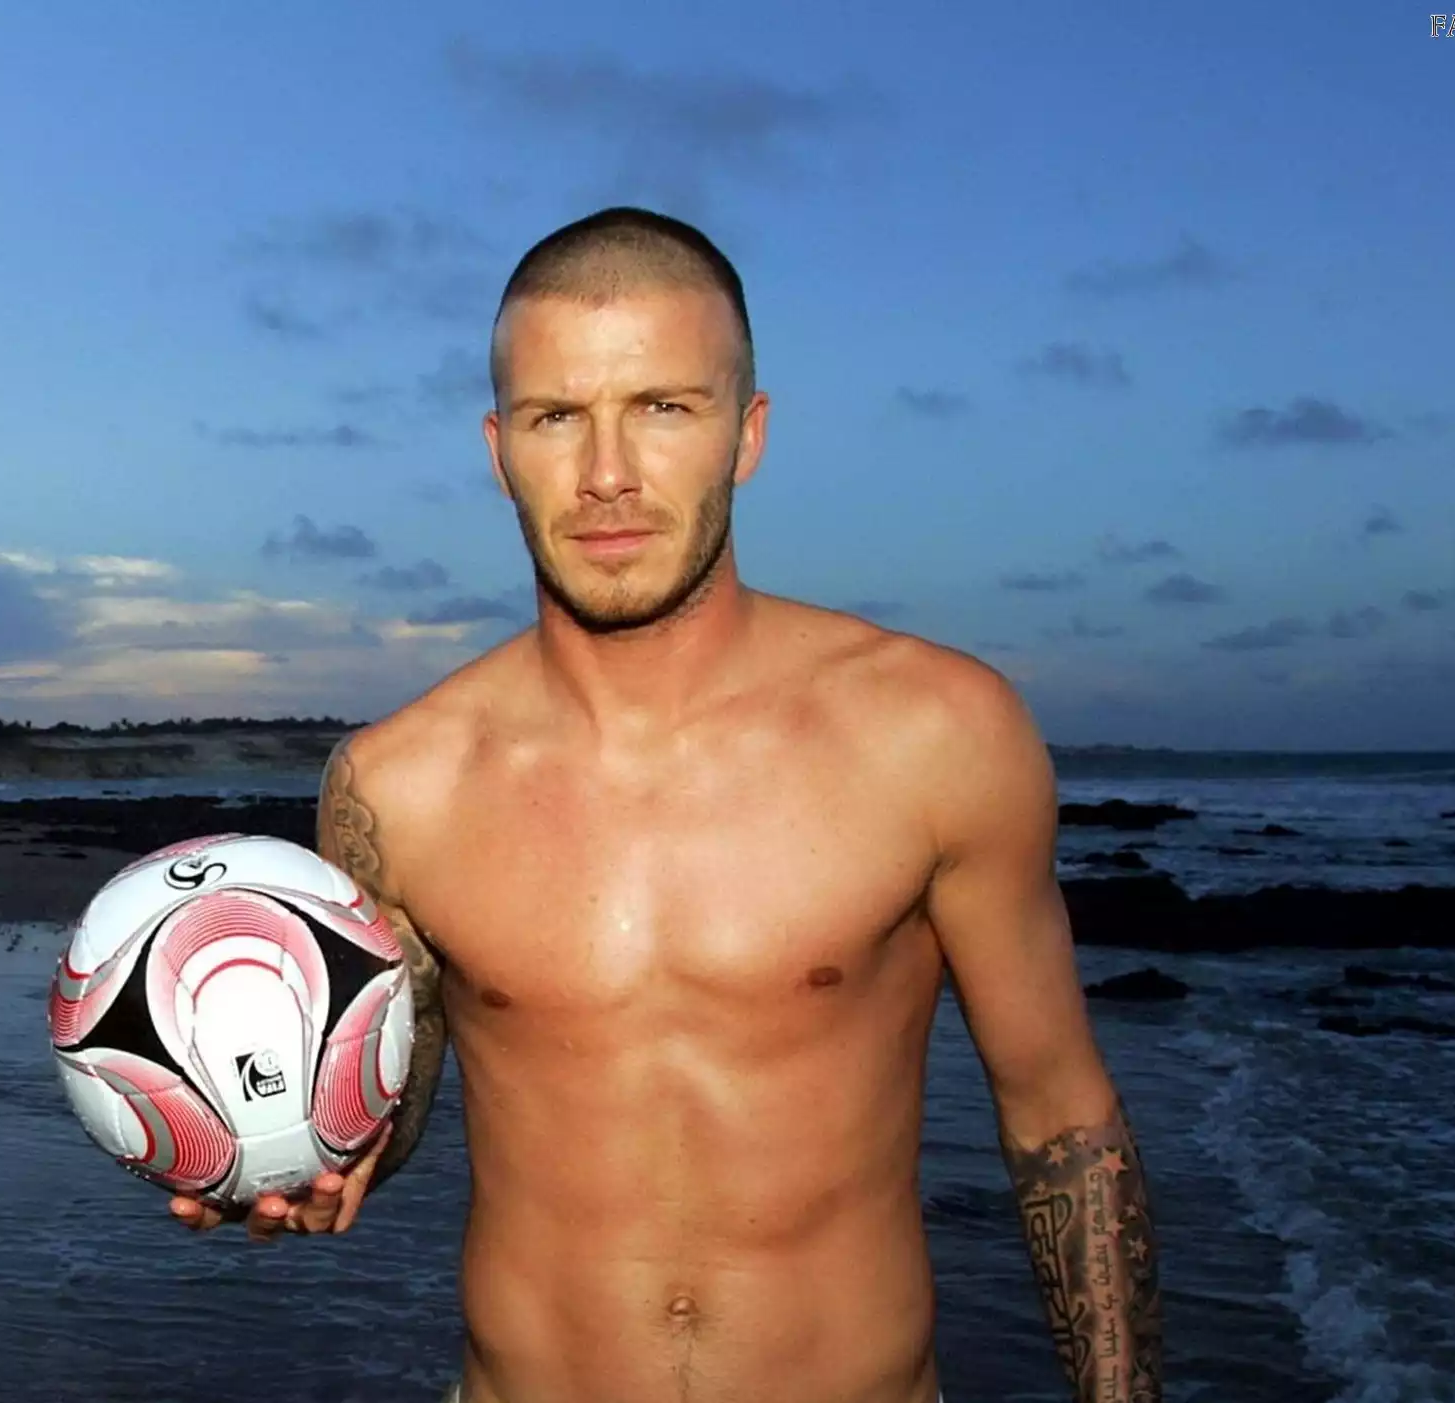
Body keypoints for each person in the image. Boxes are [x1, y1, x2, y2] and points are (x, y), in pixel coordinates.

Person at [169, 207, 1163, 1403]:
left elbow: (1061, 1117)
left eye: (664, 407)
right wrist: (299, 1158)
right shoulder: (397, 784)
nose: (607, 475)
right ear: (498, 448)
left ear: (748, 433)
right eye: (556, 417)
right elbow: (393, 1086)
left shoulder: (938, 733)